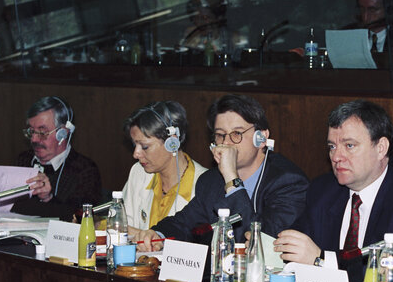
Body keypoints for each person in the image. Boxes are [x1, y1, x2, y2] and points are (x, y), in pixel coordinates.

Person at [132, 94, 308, 251]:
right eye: (220, 135)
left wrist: (232, 179)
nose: (227, 143)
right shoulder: (211, 181)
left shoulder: (288, 182)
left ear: (261, 138)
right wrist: (157, 234)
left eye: (236, 134)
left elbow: (257, 244)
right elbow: (184, 223)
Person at [274, 100, 393, 269]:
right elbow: (295, 245)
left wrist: (321, 260)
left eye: (349, 145)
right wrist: (263, 246)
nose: (336, 157)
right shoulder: (322, 189)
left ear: (381, 148)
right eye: (332, 146)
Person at [11, 96, 102, 221]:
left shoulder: (85, 170)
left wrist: (48, 198)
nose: (34, 139)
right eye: (31, 131)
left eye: (42, 132)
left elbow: (82, 218)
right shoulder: (24, 160)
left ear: (63, 133)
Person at [121, 101, 208, 230]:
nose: (136, 154)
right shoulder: (138, 172)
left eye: (145, 146)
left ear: (172, 142)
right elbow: (120, 226)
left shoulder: (205, 185)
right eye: (135, 145)